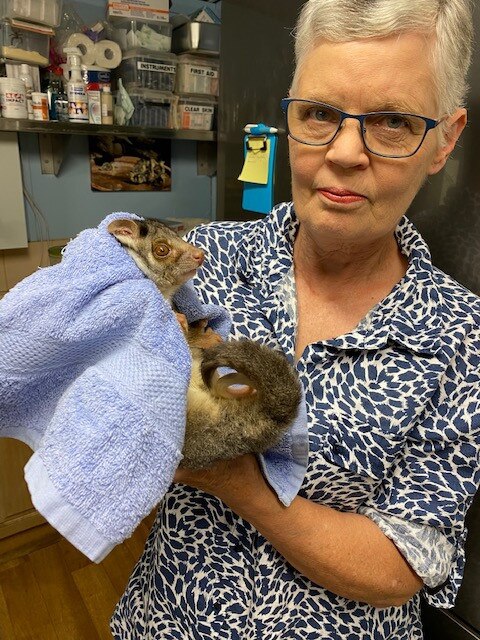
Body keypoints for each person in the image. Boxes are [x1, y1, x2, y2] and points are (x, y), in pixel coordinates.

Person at [111, 1, 480, 638]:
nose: (342, 153)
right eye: (319, 114)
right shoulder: (206, 263)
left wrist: (241, 484)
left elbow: (406, 562)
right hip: (165, 615)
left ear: (445, 140)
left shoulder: (461, 339)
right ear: (289, 116)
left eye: (391, 122)